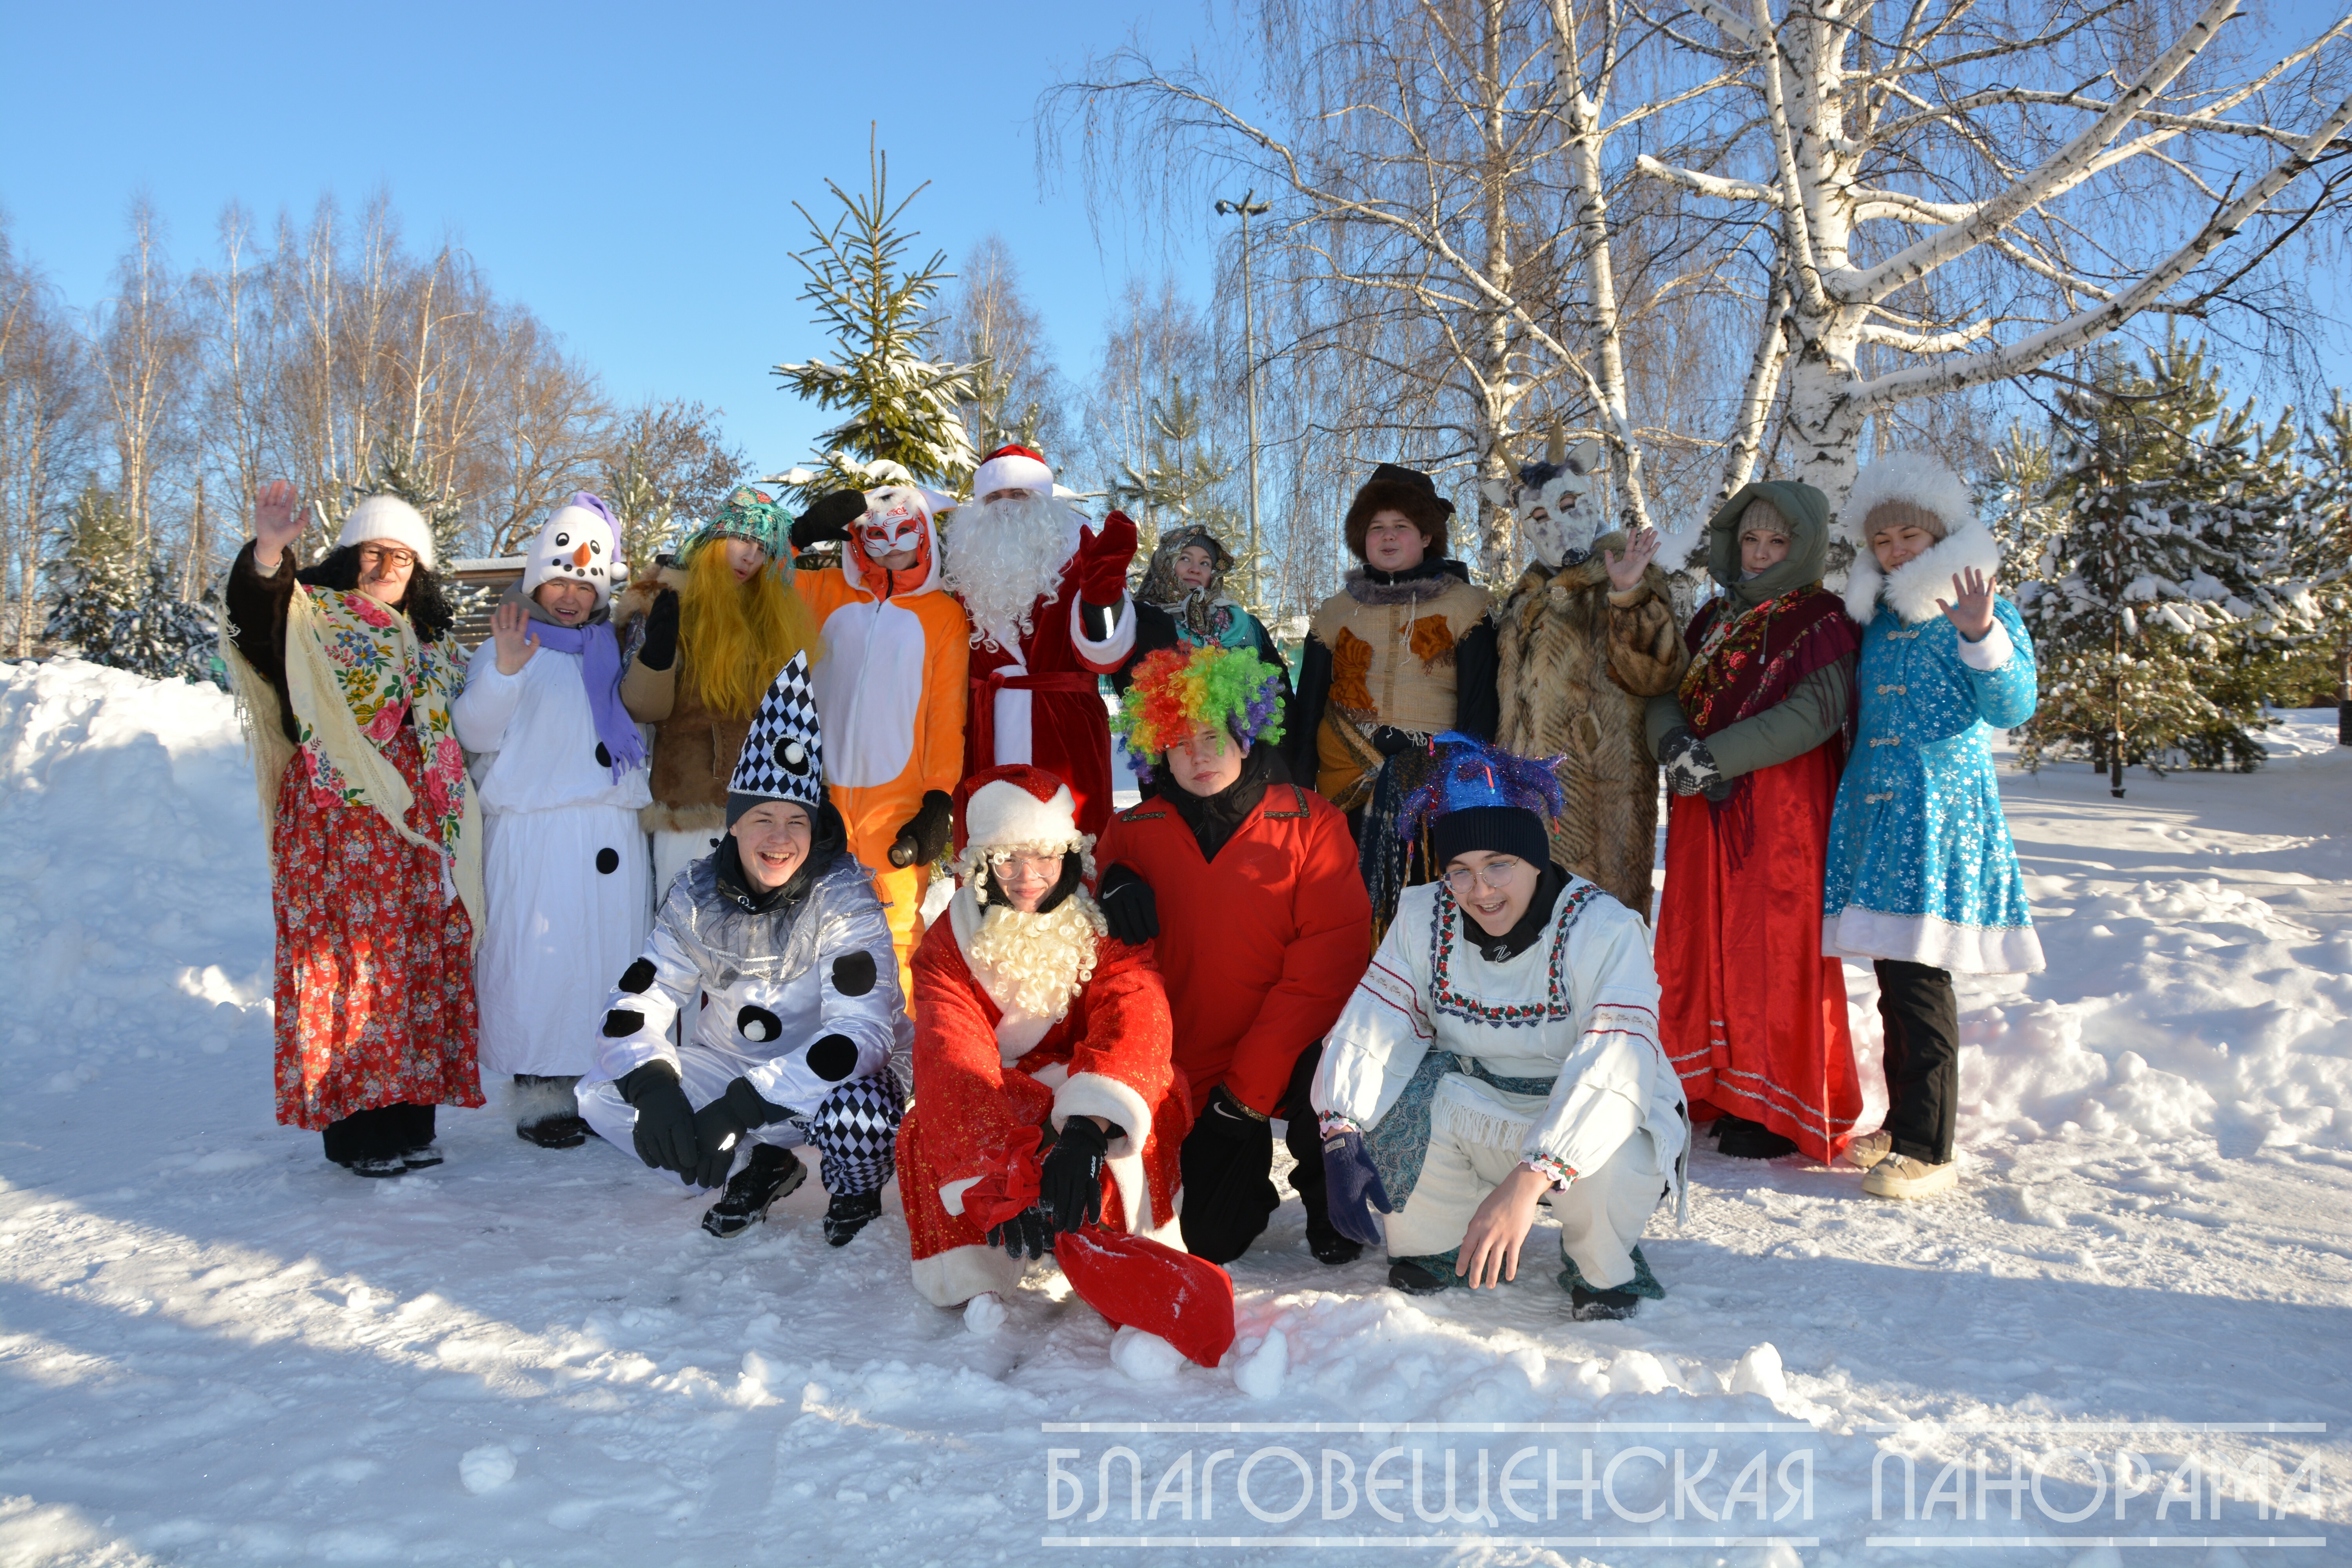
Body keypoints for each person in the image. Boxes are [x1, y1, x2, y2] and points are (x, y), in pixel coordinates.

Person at [1311, 733, 1687, 1319]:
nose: (1479, 891)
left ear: (1534, 858)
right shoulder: (1422, 915)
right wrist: (1341, 1130)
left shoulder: (1605, 930)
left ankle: (1601, 1258)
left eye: (1499, 866)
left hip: (1581, 1112)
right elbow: (1376, 1025)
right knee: (1386, 1104)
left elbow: (1617, 1067)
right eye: (1459, 870)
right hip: (1475, 1100)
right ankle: (1435, 1242)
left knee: (1613, 1153)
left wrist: (1532, 1178)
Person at [895, 766, 1235, 1370]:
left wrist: (1087, 1127)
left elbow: (1136, 1014)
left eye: (1046, 858)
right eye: (1008, 861)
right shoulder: (946, 947)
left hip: (1084, 1086)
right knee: (928, 1129)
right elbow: (953, 1058)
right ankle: (980, 1271)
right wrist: (1004, 1173)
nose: (1029, 879)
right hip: (1003, 1095)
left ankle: (1132, 1274)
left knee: (1141, 1111)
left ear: (1069, 857)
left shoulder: (1104, 923)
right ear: (980, 865)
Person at [573, 654, 909, 1244]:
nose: (780, 839)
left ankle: (855, 1187)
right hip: (731, 1063)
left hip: (823, 1079)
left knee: (861, 1112)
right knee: (602, 1093)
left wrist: (742, 1107)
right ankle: (762, 1164)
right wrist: (653, 1089)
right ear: (734, 824)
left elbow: (861, 1034)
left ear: (815, 829)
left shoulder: (846, 898)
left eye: (796, 823)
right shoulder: (697, 894)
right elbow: (639, 997)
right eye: (762, 818)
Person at [220, 484, 484, 1177]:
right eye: (373, 550)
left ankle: (409, 1121)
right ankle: (357, 1133)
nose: (387, 565)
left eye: (402, 555)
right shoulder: (312, 618)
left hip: (414, 832)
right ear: (349, 557)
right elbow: (255, 617)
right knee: (350, 971)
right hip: (338, 828)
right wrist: (271, 552)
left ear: (419, 569)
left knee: (411, 968)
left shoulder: (429, 642)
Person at [1095, 645, 1372, 1266]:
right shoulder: (1132, 832)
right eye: (1177, 740)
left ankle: (1331, 1200)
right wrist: (1107, 883)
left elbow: (1328, 968)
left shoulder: (1312, 823)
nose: (1197, 754)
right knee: (1212, 1241)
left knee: (1334, 1074)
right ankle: (1245, 1182)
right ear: (1154, 749)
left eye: (1212, 735)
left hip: (1292, 1051)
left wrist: (1246, 1091)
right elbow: (1090, 941)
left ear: (1246, 736)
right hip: (1188, 1066)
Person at [1826, 452, 2043, 1200]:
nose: (1895, 552)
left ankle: (1930, 1144)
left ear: (1940, 534)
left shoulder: (1981, 604)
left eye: (1908, 537)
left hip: (1937, 813)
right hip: (1878, 814)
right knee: (1893, 976)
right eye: (1882, 542)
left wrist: (1983, 635)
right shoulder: (1878, 620)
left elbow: (2014, 706)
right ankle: (1904, 1119)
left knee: (1922, 978)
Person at [1647, 481, 1863, 1163]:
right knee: (1702, 937)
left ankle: (1772, 1101)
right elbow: (1664, 692)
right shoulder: (1712, 619)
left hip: (1782, 808)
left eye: (1778, 541)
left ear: (1805, 548)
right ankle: (1709, 1081)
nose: (1762, 553)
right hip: (1703, 803)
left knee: (1772, 946)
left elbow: (1815, 713)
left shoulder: (1823, 619)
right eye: (1751, 539)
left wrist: (1713, 756)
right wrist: (1674, 746)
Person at [453, 493, 653, 1149]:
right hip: (538, 835)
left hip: (609, 833)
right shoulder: (514, 642)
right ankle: (540, 1086)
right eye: (560, 579)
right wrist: (506, 673)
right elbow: (473, 731)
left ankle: (601, 1078)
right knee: (541, 962)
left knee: (606, 961)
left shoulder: (609, 648)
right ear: (539, 578)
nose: (570, 595)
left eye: (585, 583)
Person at [1285, 464, 1497, 935]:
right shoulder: (1334, 612)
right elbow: (1308, 708)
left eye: (1401, 526)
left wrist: (1462, 783)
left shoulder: (1468, 606)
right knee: (1345, 910)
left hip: (1431, 790)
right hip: (1344, 789)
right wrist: (1301, 790)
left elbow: (1480, 708)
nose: (1387, 537)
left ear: (1426, 537)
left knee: (1427, 910)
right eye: (1376, 527)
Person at [1486, 441, 1688, 917]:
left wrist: (1629, 595)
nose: (1555, 524)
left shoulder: (1627, 572)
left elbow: (1658, 674)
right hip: (1526, 800)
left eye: (1569, 505)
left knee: (1601, 934)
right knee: (1532, 933)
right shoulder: (1527, 596)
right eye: (1537, 518)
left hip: (1601, 802)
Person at [786, 483, 970, 1004]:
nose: (890, 546)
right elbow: (752, 584)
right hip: (814, 793)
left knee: (893, 929)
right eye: (875, 535)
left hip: (898, 800)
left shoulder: (943, 614)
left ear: (925, 536)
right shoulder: (823, 591)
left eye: (903, 532)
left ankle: (899, 1055)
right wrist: (797, 536)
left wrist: (938, 798)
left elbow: (945, 711)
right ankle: (811, 1044)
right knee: (804, 919)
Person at [613, 485, 825, 897]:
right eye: (743, 540)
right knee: (685, 931)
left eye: (764, 548)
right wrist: (656, 660)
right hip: (690, 805)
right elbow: (639, 707)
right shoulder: (665, 596)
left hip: (762, 812)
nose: (751, 557)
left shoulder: (768, 614)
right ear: (716, 538)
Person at [940, 445, 1140, 841]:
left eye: (1018, 494)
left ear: (1043, 501)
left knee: (1071, 846)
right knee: (989, 855)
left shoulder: (1081, 554)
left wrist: (1104, 597)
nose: (1006, 507)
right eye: (994, 497)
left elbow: (1106, 656)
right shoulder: (964, 566)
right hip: (986, 730)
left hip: (1063, 729)